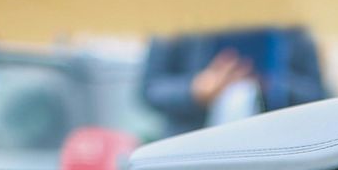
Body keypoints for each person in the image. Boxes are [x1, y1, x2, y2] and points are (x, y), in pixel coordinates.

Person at [140, 26, 327, 133]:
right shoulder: (174, 19)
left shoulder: (292, 28)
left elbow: (319, 94)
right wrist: (196, 90)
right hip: (190, 147)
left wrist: (271, 85)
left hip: (274, 147)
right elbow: (149, 89)